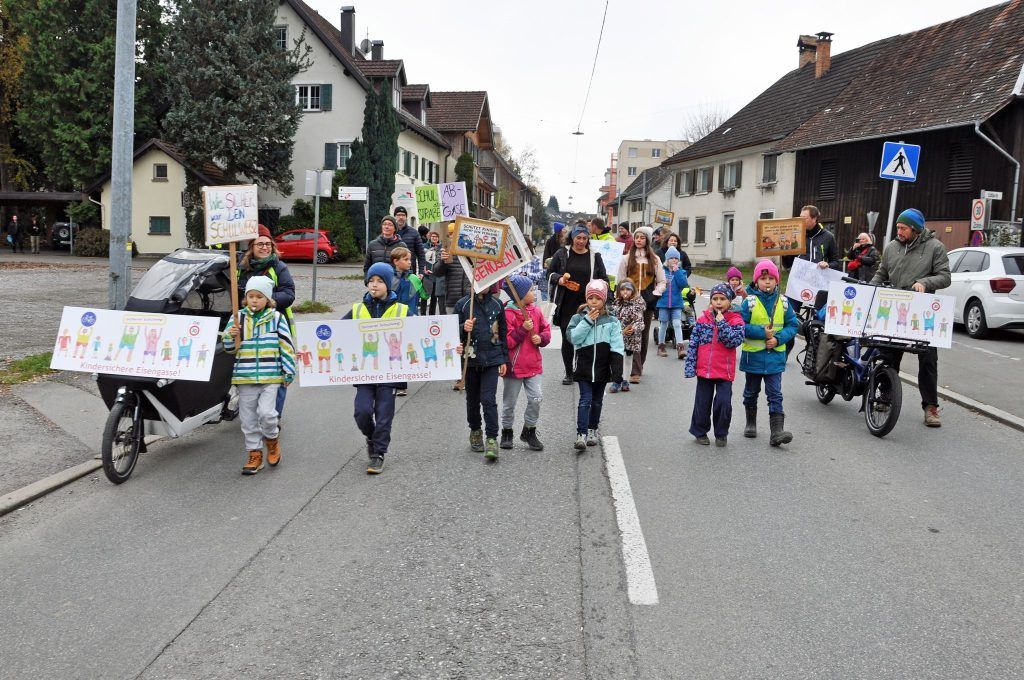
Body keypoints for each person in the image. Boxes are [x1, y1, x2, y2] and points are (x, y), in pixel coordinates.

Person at [870, 208, 951, 427]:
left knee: (927, 361)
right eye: (897, 227)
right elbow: (881, 273)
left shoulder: (935, 248)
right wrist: (870, 289)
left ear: (915, 229)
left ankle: (930, 407)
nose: (899, 231)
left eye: (903, 228)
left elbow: (945, 277)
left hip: (922, 313)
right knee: (887, 355)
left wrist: (925, 282)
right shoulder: (892, 247)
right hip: (895, 310)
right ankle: (885, 397)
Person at [222, 276, 296, 475]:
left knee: (267, 414)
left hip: (270, 376)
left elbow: (286, 345)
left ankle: (272, 440)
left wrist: (288, 371)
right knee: (248, 419)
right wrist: (231, 335)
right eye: (251, 296)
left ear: (268, 299)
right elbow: (229, 348)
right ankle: (254, 454)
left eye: (259, 296)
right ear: (246, 298)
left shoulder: (276, 318)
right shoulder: (238, 318)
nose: (254, 300)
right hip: (245, 377)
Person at [342, 262, 409, 474]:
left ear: (389, 284)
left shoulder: (402, 310)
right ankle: (371, 437)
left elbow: (421, 334)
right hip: (365, 371)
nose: (374, 284)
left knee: (383, 414)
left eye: (380, 281)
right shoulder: (357, 309)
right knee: (361, 412)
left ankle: (379, 453)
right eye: (371, 280)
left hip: (390, 372)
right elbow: (336, 334)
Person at [237, 225, 296, 416]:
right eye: (260, 244)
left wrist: (266, 302)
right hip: (249, 326)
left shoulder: (278, 267)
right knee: (255, 367)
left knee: (276, 372)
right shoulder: (241, 268)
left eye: (268, 244)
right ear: (251, 247)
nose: (265, 247)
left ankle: (273, 415)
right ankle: (253, 411)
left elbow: (289, 294)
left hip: (274, 326)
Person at [739, 259, 799, 446]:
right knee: (751, 392)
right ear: (756, 281)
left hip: (775, 359)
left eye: (771, 278)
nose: (767, 282)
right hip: (753, 358)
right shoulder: (749, 302)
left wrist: (778, 339)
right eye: (763, 278)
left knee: (775, 394)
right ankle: (750, 422)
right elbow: (740, 325)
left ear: (777, 281)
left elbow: (793, 326)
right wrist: (761, 333)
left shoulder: (784, 302)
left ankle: (777, 432)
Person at [546, 223, 609, 385]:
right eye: (578, 238)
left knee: (585, 337)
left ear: (588, 239)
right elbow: (549, 274)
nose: (581, 241)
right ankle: (569, 372)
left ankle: (581, 369)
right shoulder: (562, 254)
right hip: (566, 302)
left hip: (588, 303)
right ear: (572, 238)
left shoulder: (595, 256)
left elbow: (604, 278)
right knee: (568, 338)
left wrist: (603, 292)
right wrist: (559, 279)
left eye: (584, 238)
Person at [685, 283, 745, 446]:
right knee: (702, 402)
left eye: (722, 299)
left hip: (724, 371)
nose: (718, 302)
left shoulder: (736, 320)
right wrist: (691, 366)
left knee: (723, 403)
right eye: (715, 299)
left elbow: (733, 341)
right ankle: (700, 431)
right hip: (704, 370)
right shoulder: (702, 319)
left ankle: (721, 433)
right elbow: (694, 343)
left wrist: (722, 323)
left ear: (730, 301)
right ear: (710, 301)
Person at [455, 282, 509, 460]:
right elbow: (452, 333)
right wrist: (463, 327)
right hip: (470, 362)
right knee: (472, 400)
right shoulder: (462, 304)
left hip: (491, 360)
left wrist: (503, 359)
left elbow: (502, 333)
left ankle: (492, 438)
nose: (483, 286)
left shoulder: (497, 305)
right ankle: (475, 430)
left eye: (487, 282)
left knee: (488, 399)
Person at [567, 280, 623, 451]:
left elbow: (617, 345)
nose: (593, 301)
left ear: (604, 300)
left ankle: (592, 430)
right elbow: (574, 338)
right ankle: (581, 434)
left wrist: (617, 370)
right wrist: (587, 321)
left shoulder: (612, 320)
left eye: (597, 298)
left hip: (602, 368)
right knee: (585, 400)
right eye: (590, 297)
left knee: (597, 402)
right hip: (584, 367)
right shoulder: (578, 318)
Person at [499, 275, 550, 451]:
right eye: (529, 290)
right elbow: (508, 342)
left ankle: (529, 430)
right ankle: (506, 431)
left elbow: (546, 330)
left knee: (536, 398)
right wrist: (523, 329)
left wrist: (541, 338)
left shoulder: (535, 311)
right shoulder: (507, 314)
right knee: (509, 403)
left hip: (533, 365)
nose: (533, 292)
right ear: (520, 295)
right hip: (514, 367)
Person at [617, 226, 666, 383]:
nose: (638, 240)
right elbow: (620, 279)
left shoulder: (655, 259)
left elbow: (662, 281)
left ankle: (639, 365)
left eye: (642, 237)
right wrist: (622, 296)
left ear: (647, 240)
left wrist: (655, 294)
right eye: (637, 237)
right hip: (629, 301)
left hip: (647, 301)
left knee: (643, 335)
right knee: (631, 332)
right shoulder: (626, 259)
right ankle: (634, 370)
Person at [656, 246, 696, 360]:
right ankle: (661, 346)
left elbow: (684, 284)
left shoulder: (681, 272)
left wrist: (677, 271)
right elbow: (657, 283)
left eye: (676, 258)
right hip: (663, 302)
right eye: (672, 258)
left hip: (677, 303)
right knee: (663, 324)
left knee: (677, 323)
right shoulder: (661, 271)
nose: (674, 260)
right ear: (667, 260)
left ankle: (680, 347)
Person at [608, 278, 645, 394]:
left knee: (628, 358)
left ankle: (625, 380)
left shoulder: (637, 304)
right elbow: (612, 318)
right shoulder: (617, 303)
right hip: (618, 335)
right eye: (622, 289)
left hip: (631, 337)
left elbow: (640, 322)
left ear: (632, 291)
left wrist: (633, 329)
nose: (625, 292)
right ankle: (616, 380)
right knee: (617, 358)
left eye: (628, 289)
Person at [393, 206, 427, 275]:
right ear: (395, 217)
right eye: (398, 215)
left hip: (409, 271)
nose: (401, 217)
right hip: (392, 271)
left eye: (403, 215)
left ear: (406, 217)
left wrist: (421, 272)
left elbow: (421, 254)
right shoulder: (391, 232)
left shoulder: (414, 233)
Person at [421, 230, 446, 315]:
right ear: (430, 237)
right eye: (432, 236)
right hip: (427, 275)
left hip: (436, 275)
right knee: (424, 295)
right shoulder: (424, 246)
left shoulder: (441, 247)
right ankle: (423, 314)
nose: (434, 238)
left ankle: (432, 314)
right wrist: (423, 270)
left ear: (438, 238)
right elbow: (421, 259)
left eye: (436, 237)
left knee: (434, 297)